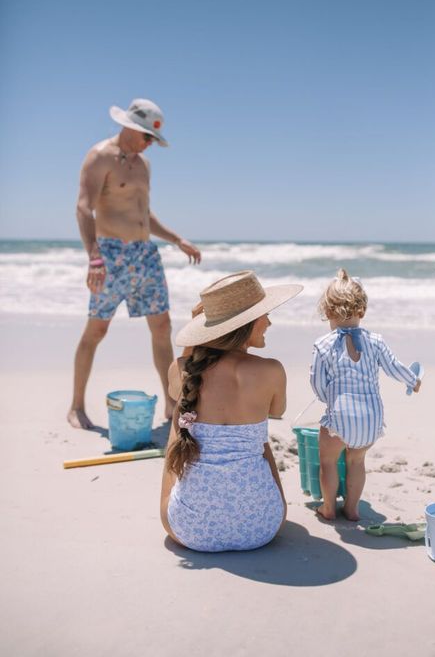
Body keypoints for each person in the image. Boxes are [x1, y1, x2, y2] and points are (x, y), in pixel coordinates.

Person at [68, 98, 201, 430]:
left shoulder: (143, 165)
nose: (149, 145)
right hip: (110, 255)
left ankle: (171, 405)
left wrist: (175, 238)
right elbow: (84, 208)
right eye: (147, 137)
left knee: (162, 327)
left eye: (153, 140)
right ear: (130, 127)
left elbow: (143, 214)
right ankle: (76, 406)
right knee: (97, 330)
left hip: (145, 255)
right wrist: (94, 257)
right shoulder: (100, 157)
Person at [160, 270, 302, 552]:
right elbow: (277, 410)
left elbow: (178, 393)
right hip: (263, 527)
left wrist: (199, 332)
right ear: (246, 323)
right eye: (264, 314)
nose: (270, 322)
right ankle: (258, 503)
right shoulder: (271, 370)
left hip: (190, 531)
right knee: (258, 439)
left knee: (180, 424)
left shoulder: (182, 369)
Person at [310, 268, 422, 522]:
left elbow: (316, 382)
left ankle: (328, 508)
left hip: (340, 418)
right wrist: (413, 381)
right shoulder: (376, 341)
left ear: (327, 312)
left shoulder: (324, 344)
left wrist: (327, 400)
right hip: (371, 419)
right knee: (357, 462)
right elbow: (395, 367)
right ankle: (352, 508)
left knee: (327, 461)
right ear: (363, 311)